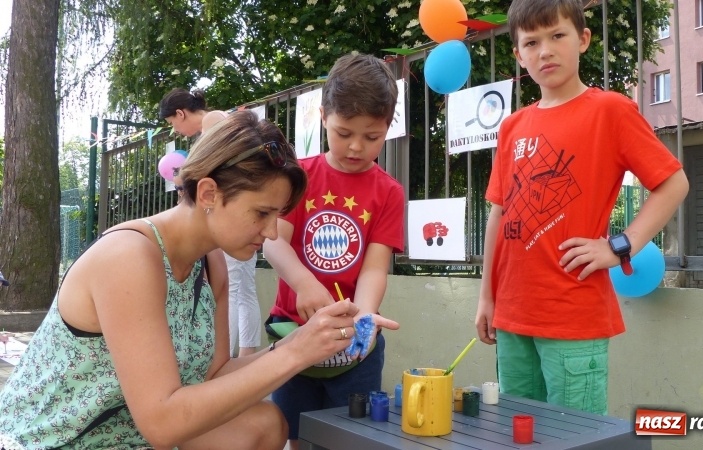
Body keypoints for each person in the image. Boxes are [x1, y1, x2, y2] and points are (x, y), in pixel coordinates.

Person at [0, 111, 399, 450]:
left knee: (266, 424)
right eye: (262, 213)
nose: (273, 232)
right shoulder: (128, 257)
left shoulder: (211, 263)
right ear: (208, 192)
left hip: (123, 435)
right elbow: (162, 423)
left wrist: (305, 341)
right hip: (56, 442)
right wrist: (291, 356)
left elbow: (213, 377)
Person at [475, 0, 689, 416]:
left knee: (575, 438)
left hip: (573, 314)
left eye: (557, 36)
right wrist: (486, 297)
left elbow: (673, 183)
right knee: (517, 434)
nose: (545, 51)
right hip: (512, 313)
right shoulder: (512, 126)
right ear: (518, 54)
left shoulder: (610, 110)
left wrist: (619, 245)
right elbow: (498, 213)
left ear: (583, 39)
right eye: (531, 42)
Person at [262, 53, 404, 450]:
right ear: (323, 116)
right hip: (295, 331)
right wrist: (305, 284)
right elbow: (273, 239)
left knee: (351, 436)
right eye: (343, 132)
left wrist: (364, 315)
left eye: (372, 137)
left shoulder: (389, 192)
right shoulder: (299, 176)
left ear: (387, 128)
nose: (356, 147)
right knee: (294, 434)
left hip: (354, 340)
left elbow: (375, 267)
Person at [160, 88, 260, 357]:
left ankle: (223, 357)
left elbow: (212, 166)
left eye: (173, 123)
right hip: (240, 208)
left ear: (181, 113)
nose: (177, 131)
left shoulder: (212, 120)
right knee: (244, 288)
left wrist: (182, 178)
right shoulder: (222, 120)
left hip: (229, 213)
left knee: (233, 287)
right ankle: (246, 354)